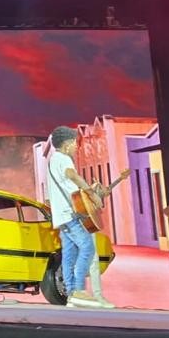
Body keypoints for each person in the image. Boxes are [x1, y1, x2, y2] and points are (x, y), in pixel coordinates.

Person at [45, 126, 105, 308]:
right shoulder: (64, 159)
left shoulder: (53, 160)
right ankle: (79, 290)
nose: (76, 147)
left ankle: (71, 294)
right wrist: (91, 193)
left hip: (62, 215)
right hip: (69, 213)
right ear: (68, 143)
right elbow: (72, 176)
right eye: (75, 143)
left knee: (70, 253)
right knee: (87, 247)